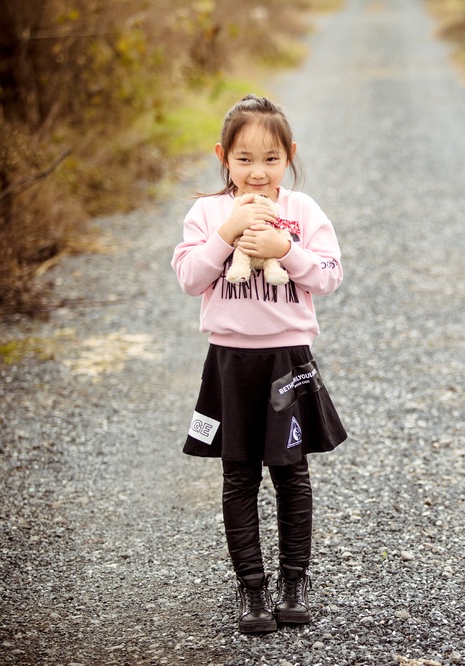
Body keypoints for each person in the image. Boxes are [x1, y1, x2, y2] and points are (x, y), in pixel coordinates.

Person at [172, 94, 347, 634]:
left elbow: (329, 275)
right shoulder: (206, 213)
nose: (257, 171)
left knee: (292, 475)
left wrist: (284, 248)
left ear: (289, 156)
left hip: (287, 362)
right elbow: (189, 279)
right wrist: (226, 236)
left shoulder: (304, 211)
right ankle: (253, 591)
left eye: (271, 158)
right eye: (244, 159)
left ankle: (294, 583)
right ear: (223, 156)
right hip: (229, 363)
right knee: (238, 477)